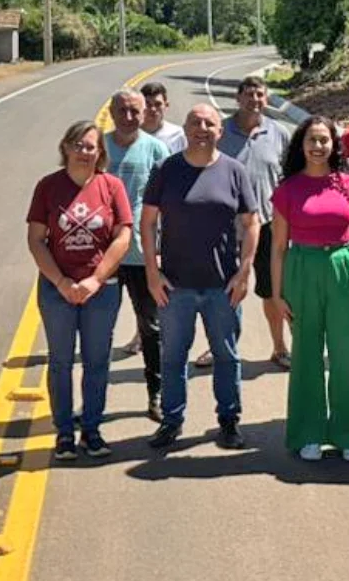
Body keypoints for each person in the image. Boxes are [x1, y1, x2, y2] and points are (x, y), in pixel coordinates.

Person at [140, 103, 260, 451]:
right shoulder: (167, 169)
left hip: (222, 286)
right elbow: (147, 222)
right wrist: (152, 271)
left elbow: (252, 224)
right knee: (174, 357)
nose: (202, 128)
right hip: (175, 285)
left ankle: (228, 420)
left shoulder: (234, 171)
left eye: (209, 123)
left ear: (219, 132)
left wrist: (244, 270)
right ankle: (171, 420)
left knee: (227, 356)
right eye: (195, 122)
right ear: (186, 128)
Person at [27, 121, 135, 460]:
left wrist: (96, 280)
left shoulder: (111, 186)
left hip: (100, 290)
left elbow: (123, 237)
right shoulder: (48, 187)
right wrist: (61, 282)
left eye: (91, 146)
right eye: (78, 144)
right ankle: (63, 433)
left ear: (100, 152)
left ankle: (91, 429)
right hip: (57, 289)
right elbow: (35, 240)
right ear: (65, 147)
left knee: (97, 361)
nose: (84, 151)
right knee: (60, 361)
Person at [270, 115, 349, 463]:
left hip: (345, 269)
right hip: (302, 268)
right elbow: (278, 247)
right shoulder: (288, 190)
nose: (318, 147)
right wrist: (277, 292)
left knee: (348, 355)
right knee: (306, 355)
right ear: (301, 145)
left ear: (334, 145)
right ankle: (308, 432)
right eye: (311, 140)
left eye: (324, 140)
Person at [104, 89, 172, 422]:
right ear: (111, 111)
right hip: (101, 257)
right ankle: (93, 402)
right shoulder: (98, 147)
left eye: (134, 111)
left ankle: (156, 395)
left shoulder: (157, 149)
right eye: (122, 110)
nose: (128, 117)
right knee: (98, 331)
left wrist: (162, 251)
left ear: (144, 113)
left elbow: (169, 204)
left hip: (144, 256)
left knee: (152, 329)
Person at [219, 74, 289, 370]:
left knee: (273, 290)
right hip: (223, 225)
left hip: (269, 225)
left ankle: (279, 346)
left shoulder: (279, 133)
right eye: (248, 94)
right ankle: (219, 348)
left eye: (260, 94)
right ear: (238, 98)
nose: (254, 100)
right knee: (221, 294)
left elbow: (289, 178)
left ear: (267, 97)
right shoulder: (219, 131)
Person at [140, 80, 186, 152]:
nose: (153, 109)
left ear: (166, 106)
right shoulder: (131, 133)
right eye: (148, 104)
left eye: (158, 104)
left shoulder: (178, 135)